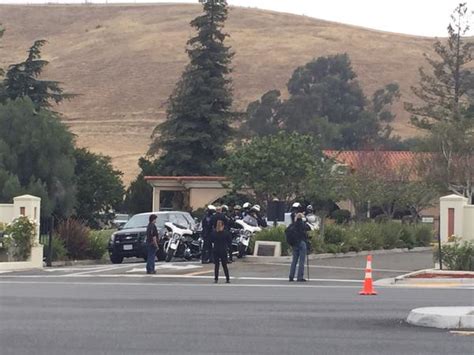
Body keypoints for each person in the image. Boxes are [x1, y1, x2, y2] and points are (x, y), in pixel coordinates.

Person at [288, 213, 309, 282]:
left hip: (294, 244)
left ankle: (291, 276)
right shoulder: (302, 225)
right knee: (301, 261)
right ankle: (300, 277)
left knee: (294, 261)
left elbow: (286, 230)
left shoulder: (292, 225)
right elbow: (308, 228)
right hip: (301, 243)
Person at [210, 219, 232, 283]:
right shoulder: (226, 233)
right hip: (223, 250)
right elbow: (229, 242)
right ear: (223, 226)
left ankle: (216, 279)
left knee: (216, 265)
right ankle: (227, 279)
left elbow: (211, 241)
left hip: (216, 250)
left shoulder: (214, 233)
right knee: (224, 265)